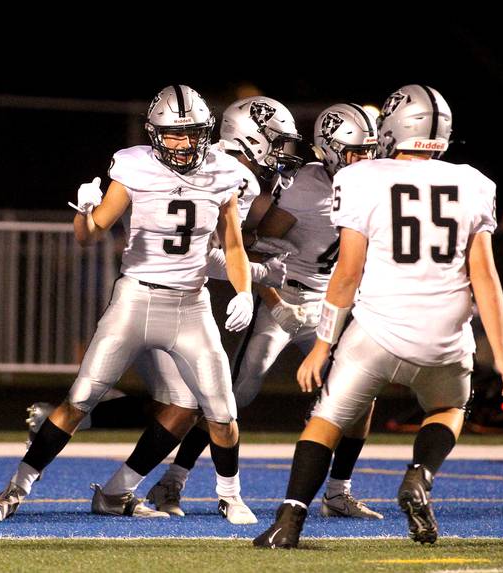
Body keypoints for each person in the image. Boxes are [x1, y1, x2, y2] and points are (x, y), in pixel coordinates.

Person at [253, 84, 503, 549]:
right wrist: (502, 354)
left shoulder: (362, 178)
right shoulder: (475, 182)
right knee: (449, 408)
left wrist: (321, 345)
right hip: (446, 340)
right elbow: (486, 278)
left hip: (377, 334)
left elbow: (347, 274)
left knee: (327, 419)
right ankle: (420, 475)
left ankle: (288, 522)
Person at [0, 84, 258, 525]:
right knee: (81, 398)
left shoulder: (224, 174)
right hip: (136, 297)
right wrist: (83, 210)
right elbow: (91, 234)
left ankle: (230, 495)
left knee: (221, 409)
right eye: (173, 135)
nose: (183, 144)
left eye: (191, 133)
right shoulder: (133, 166)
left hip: (191, 305)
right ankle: (15, 489)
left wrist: (243, 291)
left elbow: (235, 246)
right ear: (154, 134)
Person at [145, 103, 383, 520]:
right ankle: (173, 479)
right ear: (330, 150)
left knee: (362, 393)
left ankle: (338, 491)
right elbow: (259, 248)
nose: (364, 160)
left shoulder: (378, 186)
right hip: (286, 297)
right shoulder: (306, 188)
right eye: (355, 151)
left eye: (369, 151)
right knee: (236, 393)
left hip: (334, 303)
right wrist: (276, 301)